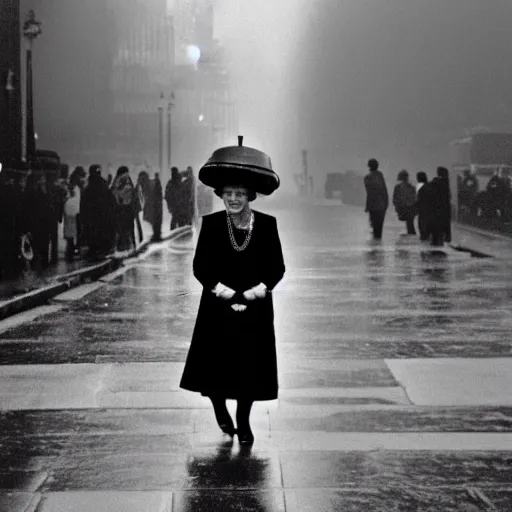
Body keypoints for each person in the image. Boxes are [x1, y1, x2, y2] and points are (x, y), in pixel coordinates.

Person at [180, 140, 285, 446]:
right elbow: (201, 267)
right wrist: (223, 292)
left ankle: (243, 419)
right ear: (221, 196)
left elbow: (277, 267)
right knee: (216, 366)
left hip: (256, 308)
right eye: (228, 195)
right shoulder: (212, 225)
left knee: (249, 368)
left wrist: (257, 291)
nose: (234, 199)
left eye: (239, 194)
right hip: (217, 306)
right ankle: (218, 407)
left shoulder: (267, 225)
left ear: (250, 196)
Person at [364, 158, 389, 239]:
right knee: (379, 227)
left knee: (374, 226)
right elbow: (384, 190)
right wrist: (386, 202)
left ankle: (376, 246)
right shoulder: (380, 175)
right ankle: (378, 244)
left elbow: (369, 193)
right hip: (381, 204)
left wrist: (367, 206)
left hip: (373, 205)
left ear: (369, 166)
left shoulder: (367, 177)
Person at [429, 166, 452, 246]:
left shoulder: (436, 182)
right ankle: (445, 238)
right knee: (445, 225)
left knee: (438, 226)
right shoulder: (447, 182)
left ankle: (437, 241)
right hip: (445, 207)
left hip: (438, 208)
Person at [392, 169, 417, 235]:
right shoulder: (411, 187)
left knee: (410, 226)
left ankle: (411, 239)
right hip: (410, 208)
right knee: (410, 225)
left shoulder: (397, 187)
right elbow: (414, 199)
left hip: (404, 208)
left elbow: (395, 200)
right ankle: (413, 240)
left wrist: (397, 208)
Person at [415, 171, 430, 241]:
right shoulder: (428, 185)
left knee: (422, 224)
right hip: (428, 208)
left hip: (423, 209)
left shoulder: (421, 186)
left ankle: (424, 237)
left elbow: (419, 198)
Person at [151, 172, 163, 241]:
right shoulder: (158, 183)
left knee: (156, 221)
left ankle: (157, 235)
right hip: (158, 206)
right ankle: (157, 235)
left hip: (156, 206)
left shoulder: (156, 183)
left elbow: (156, 195)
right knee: (157, 221)